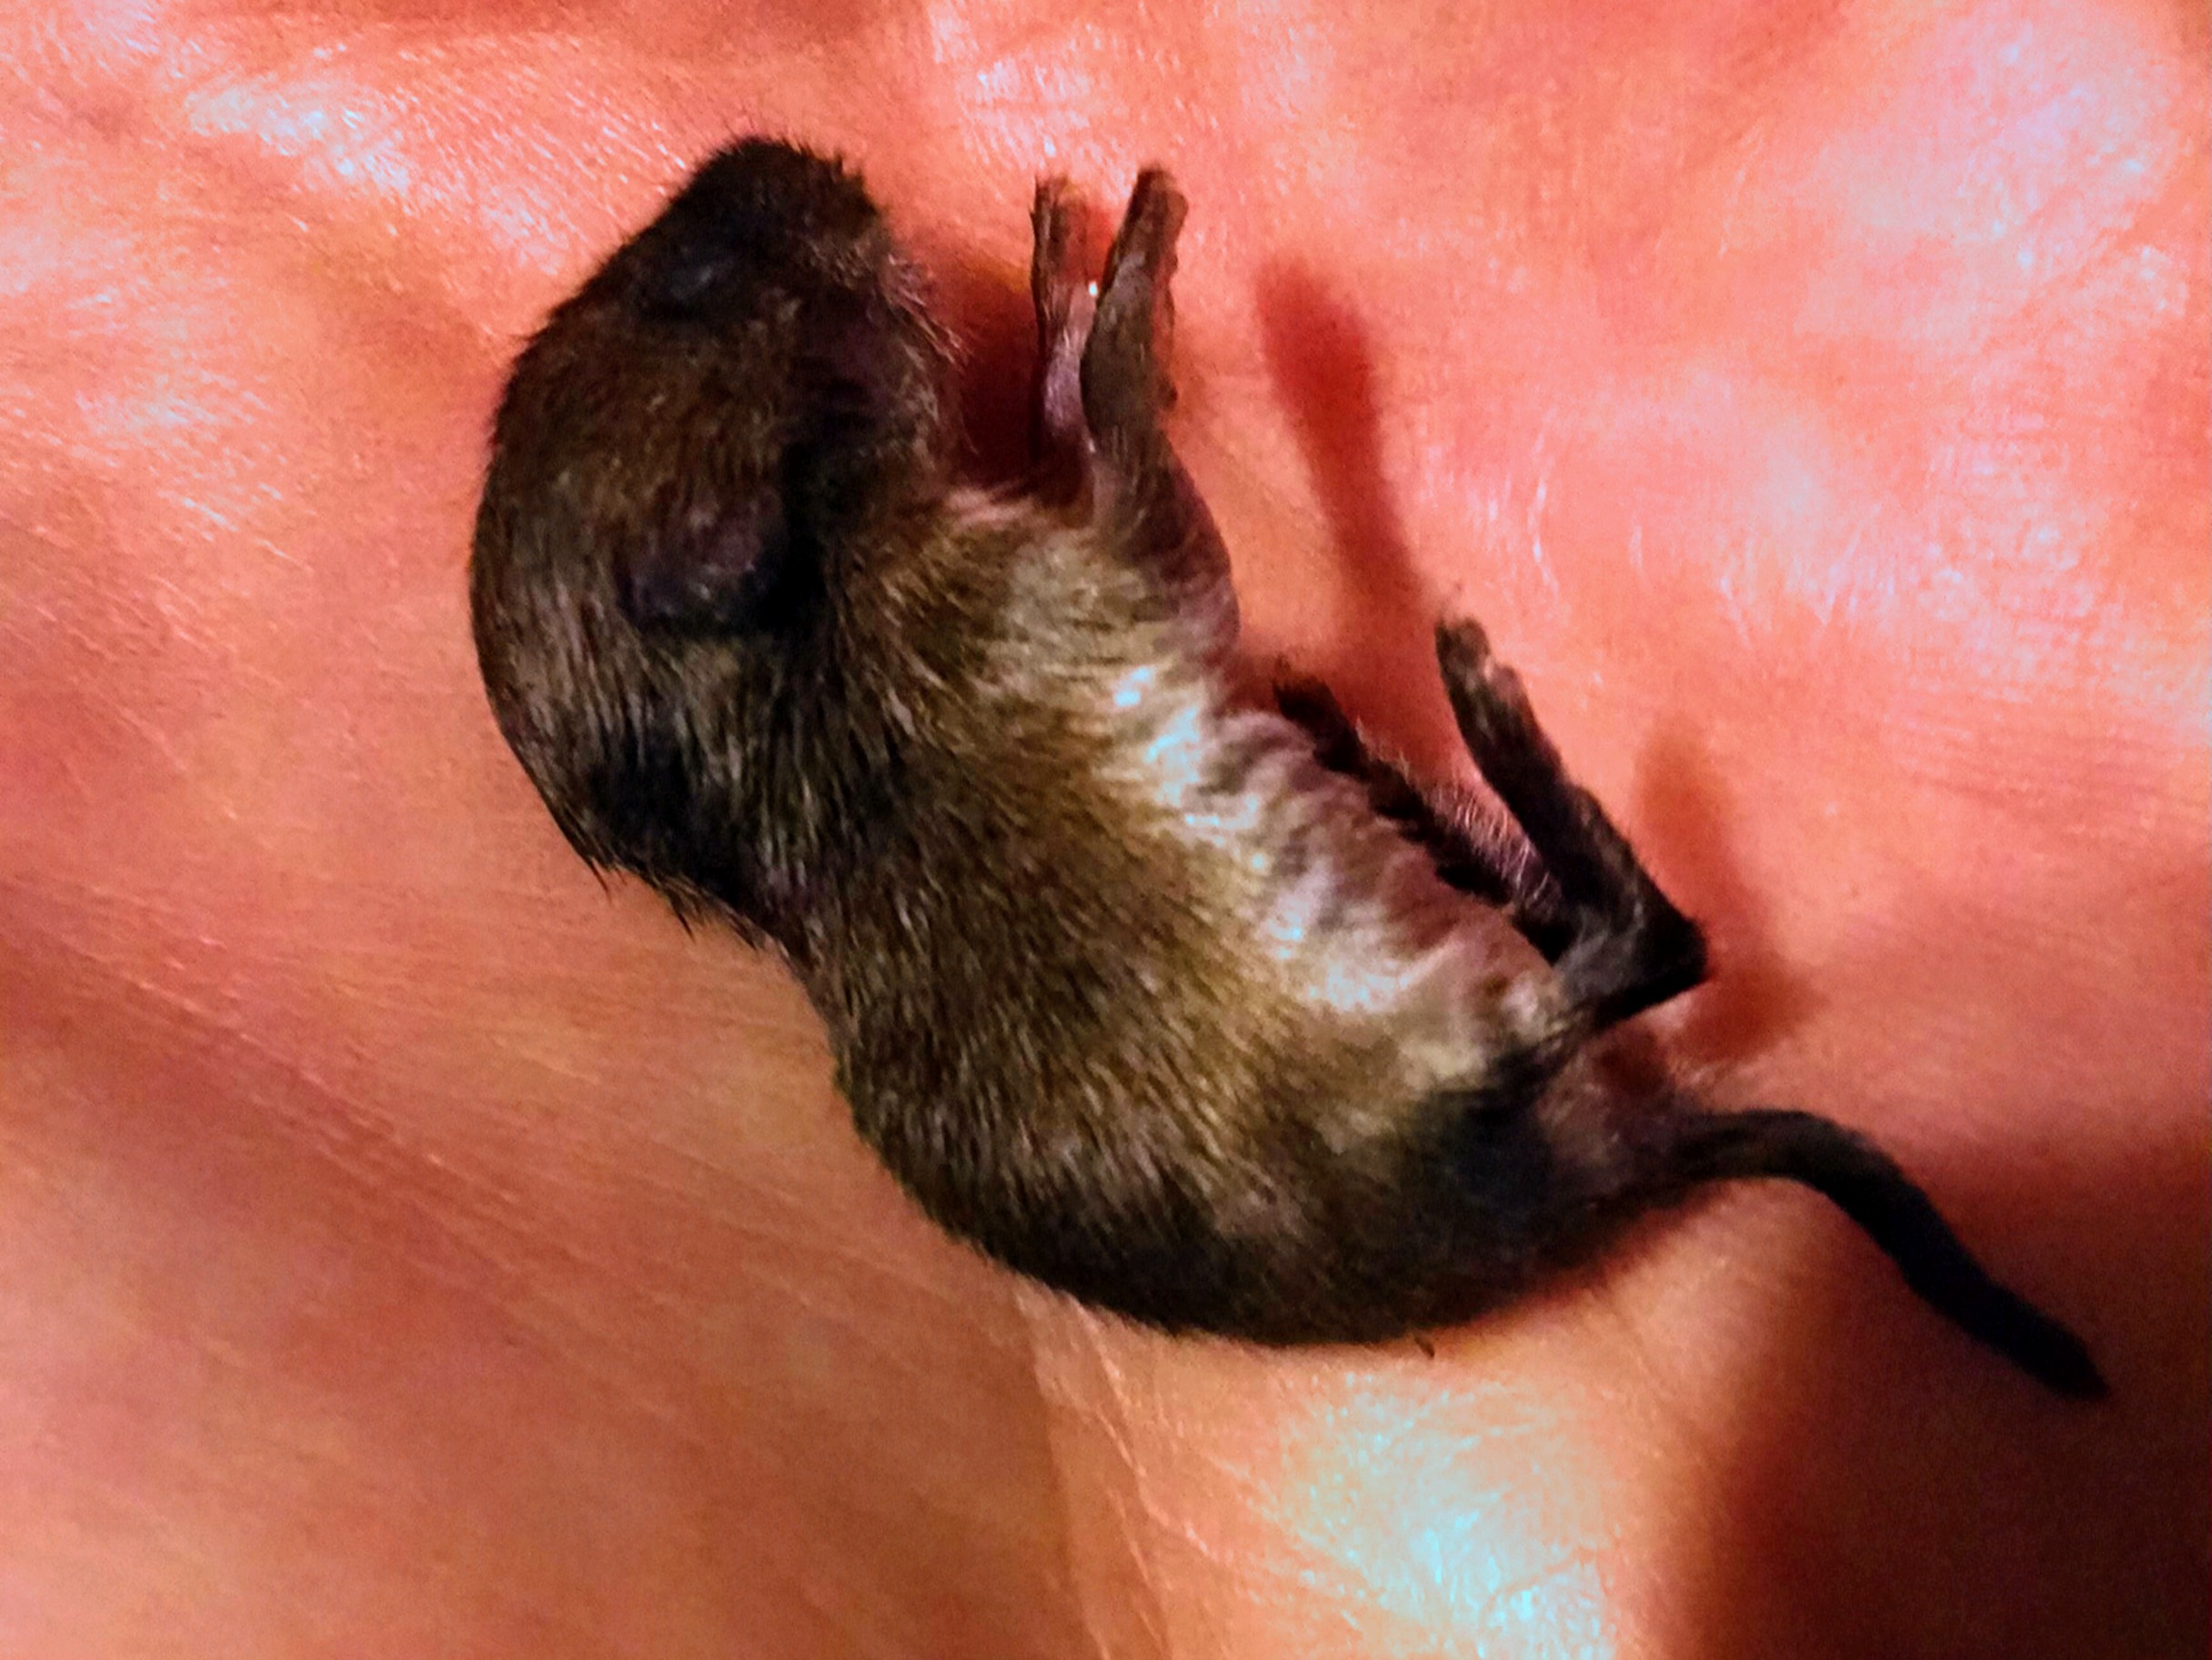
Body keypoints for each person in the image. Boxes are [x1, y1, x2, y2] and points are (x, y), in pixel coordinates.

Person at [2, 3, 2202, 1652]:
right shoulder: (946, 665)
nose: (755, 226)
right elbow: (1141, 555)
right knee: (1498, 1021)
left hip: (1326, 1149)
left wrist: (1080, 370)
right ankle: (1603, 950)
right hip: (1373, 1141)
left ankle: (1591, 966)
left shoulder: (889, 799)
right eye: (691, 298)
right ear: (716, 543)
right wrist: (1110, 378)